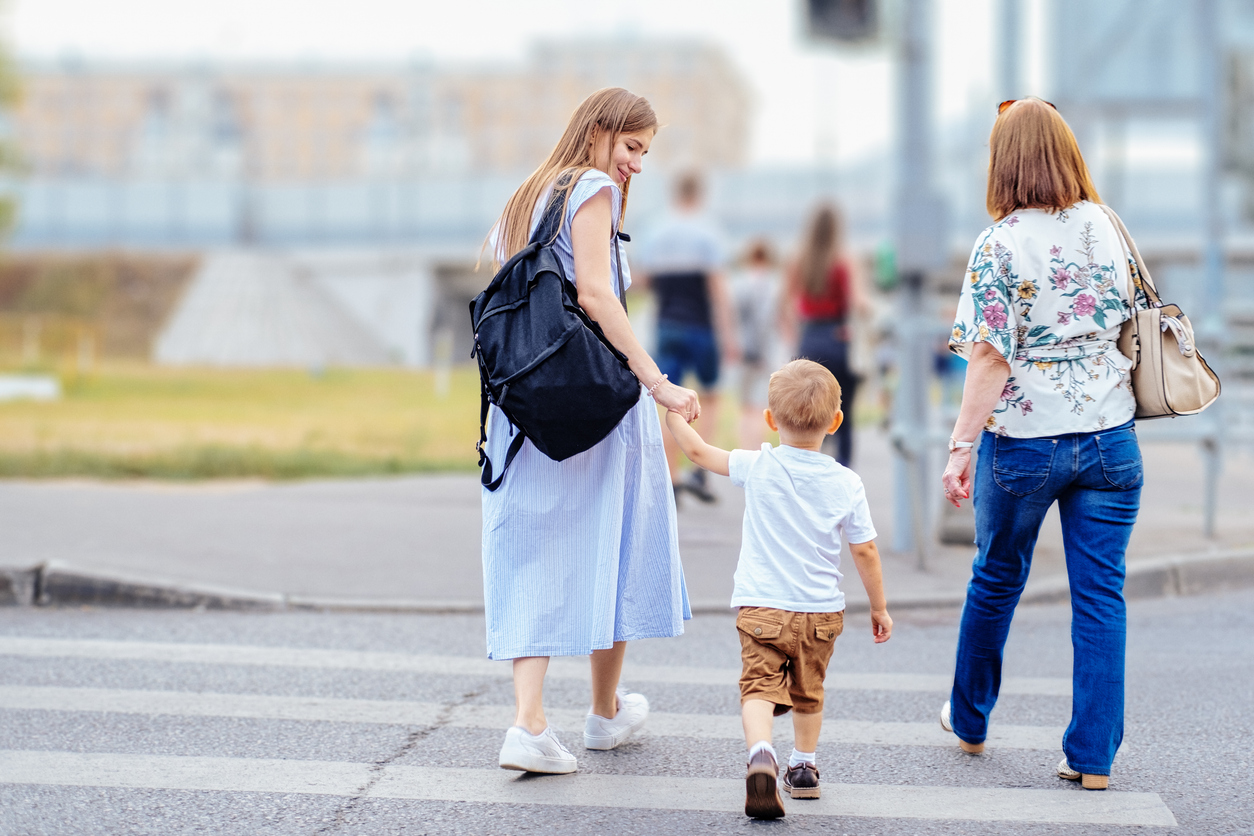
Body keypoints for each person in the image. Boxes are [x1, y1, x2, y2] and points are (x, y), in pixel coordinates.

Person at [481, 87, 699, 775]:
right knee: (619, 539)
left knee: (533, 549)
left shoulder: (527, 195)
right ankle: (602, 715)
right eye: (633, 146)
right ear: (602, 132)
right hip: (595, 396)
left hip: (524, 404)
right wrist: (656, 380)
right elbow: (598, 296)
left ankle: (530, 722)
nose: (637, 164)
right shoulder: (592, 187)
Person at [939, 97, 1149, 791]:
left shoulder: (999, 243)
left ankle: (969, 721)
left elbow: (990, 358)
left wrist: (961, 445)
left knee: (997, 577)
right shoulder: (1109, 226)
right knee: (1100, 596)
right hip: (1110, 437)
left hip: (1025, 439)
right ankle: (1092, 758)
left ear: (1002, 163)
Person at [665, 359, 892, 819]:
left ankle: (761, 755)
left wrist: (672, 411)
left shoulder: (759, 465)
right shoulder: (847, 483)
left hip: (763, 607)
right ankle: (804, 768)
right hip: (821, 614)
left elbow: (699, 453)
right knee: (810, 692)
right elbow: (865, 551)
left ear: (770, 420)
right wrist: (879, 608)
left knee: (758, 689)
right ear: (836, 421)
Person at [636, 171, 738, 503]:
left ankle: (673, 475)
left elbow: (642, 279)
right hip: (701, 324)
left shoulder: (656, 228)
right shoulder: (709, 230)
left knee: (669, 401)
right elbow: (718, 289)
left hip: (667, 323)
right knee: (710, 395)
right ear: (700, 194)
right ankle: (699, 469)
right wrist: (729, 336)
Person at [784, 204, 867, 468]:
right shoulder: (844, 260)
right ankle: (842, 469)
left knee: (807, 411)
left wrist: (794, 335)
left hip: (809, 338)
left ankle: (807, 466)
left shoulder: (799, 260)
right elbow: (859, 303)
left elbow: (783, 304)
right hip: (838, 336)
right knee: (843, 411)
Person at [731, 238, 784, 449]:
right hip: (765, 351)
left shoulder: (738, 283)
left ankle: (745, 450)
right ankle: (756, 452)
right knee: (759, 406)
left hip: (742, 350)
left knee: (744, 407)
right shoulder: (774, 284)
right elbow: (770, 320)